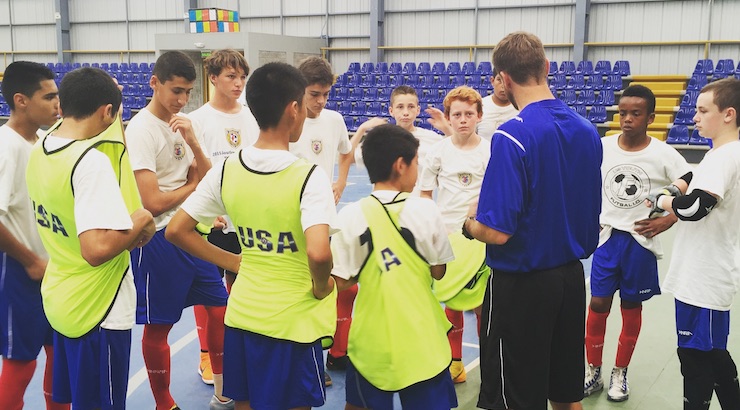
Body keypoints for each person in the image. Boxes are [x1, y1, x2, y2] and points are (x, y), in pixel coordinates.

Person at [165, 62, 337, 410]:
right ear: (293, 109)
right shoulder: (308, 177)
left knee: (244, 403)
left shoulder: (227, 168)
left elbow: (176, 230)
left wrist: (233, 262)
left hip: (242, 316)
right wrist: (322, 287)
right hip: (292, 323)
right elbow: (319, 254)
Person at [464, 31, 602, 410]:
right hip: (572, 280)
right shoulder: (588, 131)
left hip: (520, 288)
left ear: (503, 80)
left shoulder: (512, 135)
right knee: (565, 394)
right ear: (546, 67)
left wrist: (470, 223)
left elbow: (496, 230)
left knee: (512, 399)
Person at [25, 67, 156, 410]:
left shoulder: (41, 148)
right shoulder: (90, 162)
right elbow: (95, 250)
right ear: (107, 112)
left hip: (63, 298)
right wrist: (140, 219)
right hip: (100, 307)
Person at [125, 51, 231, 410]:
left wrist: (196, 145)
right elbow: (152, 202)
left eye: (187, 92)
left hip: (189, 233)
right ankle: (164, 402)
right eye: (176, 91)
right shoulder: (140, 130)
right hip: (155, 240)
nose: (182, 100)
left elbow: (208, 175)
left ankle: (222, 388)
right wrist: (192, 187)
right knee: (159, 327)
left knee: (220, 310)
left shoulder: (185, 123)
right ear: (154, 83)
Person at [331, 123, 457, 410]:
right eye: (416, 163)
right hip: (422, 339)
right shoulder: (426, 210)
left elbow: (342, 281)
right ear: (401, 165)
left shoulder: (350, 215)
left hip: (371, 341)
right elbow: (439, 271)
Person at [583, 84, 692, 402]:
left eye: (636, 113)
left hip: (640, 243)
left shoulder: (663, 153)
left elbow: (688, 178)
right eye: (623, 112)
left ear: (650, 117)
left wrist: (670, 218)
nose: (627, 118)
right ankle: (593, 371)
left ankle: (620, 372)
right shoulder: (601, 146)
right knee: (598, 304)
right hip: (606, 240)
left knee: (631, 306)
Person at [647, 78, 740, 410]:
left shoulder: (723, 157)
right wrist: (675, 188)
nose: (695, 118)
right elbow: (693, 180)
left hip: (705, 276)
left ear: (728, 114)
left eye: (703, 111)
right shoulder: (722, 155)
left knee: (697, 357)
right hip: (705, 274)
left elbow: (696, 208)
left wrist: (664, 201)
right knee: (710, 354)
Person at [188, 48, 258, 386]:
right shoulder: (198, 120)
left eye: (242, 76)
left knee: (242, 284)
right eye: (231, 76)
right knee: (209, 290)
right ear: (213, 77)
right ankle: (206, 354)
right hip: (212, 219)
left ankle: (238, 347)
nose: (238, 83)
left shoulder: (252, 116)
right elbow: (193, 173)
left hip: (246, 218)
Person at [0, 61, 67, 410]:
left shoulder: (43, 142)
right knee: (21, 360)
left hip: (53, 269)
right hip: (21, 270)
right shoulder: (5, 147)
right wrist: (30, 261)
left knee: (60, 354)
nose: (58, 104)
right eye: (49, 97)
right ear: (21, 100)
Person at [419, 86, 491, 384]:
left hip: (480, 237)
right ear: (448, 117)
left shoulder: (491, 150)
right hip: (448, 237)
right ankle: (456, 362)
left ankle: (490, 362)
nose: (463, 120)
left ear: (479, 116)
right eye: (457, 114)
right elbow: (425, 194)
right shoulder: (438, 151)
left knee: (482, 303)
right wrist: (429, 230)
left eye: (469, 114)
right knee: (451, 301)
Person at [351, 85, 443, 194]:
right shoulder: (381, 138)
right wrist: (361, 130)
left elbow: (460, 152)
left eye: (411, 107)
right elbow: (348, 156)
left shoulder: (432, 139)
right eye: (400, 107)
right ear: (391, 110)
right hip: (385, 204)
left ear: (418, 110)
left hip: (417, 204)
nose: (405, 112)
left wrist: (447, 129)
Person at [289, 56, 352, 205]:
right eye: (314, 94)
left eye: (326, 94)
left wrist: (341, 183)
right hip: (293, 204)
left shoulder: (335, 120)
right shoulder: (287, 122)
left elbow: (346, 152)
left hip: (324, 205)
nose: (321, 101)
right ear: (299, 89)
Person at [477, 69, 519, 140]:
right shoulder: (479, 106)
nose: (503, 86)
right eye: (499, 80)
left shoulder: (521, 108)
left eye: (508, 81)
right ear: (492, 81)